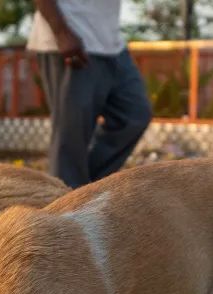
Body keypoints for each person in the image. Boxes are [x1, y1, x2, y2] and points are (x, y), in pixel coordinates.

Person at [28, 0, 152, 188]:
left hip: (111, 44)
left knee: (135, 115)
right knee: (71, 135)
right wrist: (62, 33)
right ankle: (63, 204)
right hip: (72, 40)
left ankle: (81, 191)